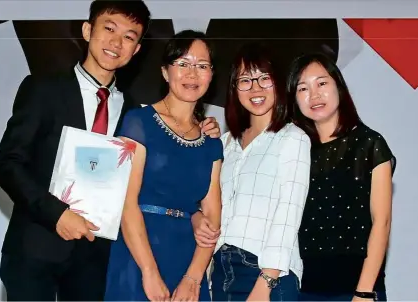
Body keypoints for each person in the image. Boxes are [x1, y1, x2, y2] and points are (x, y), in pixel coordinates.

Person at [0, 1, 221, 300]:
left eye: (129, 36)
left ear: (137, 49)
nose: (117, 42)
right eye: (109, 29)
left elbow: (148, 187)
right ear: (88, 30)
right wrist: (57, 214)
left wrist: (191, 213)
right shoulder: (43, 89)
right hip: (36, 249)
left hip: (96, 260)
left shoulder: (133, 115)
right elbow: (8, 164)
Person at [103, 29, 223, 302]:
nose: (192, 74)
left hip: (188, 263)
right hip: (138, 255)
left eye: (202, 66)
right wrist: (148, 271)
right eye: (183, 64)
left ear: (211, 75)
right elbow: (126, 203)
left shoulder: (212, 142)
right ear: (165, 72)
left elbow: (212, 218)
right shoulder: (138, 122)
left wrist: (193, 278)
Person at [286, 52, 395, 301]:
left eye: (322, 83)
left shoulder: (370, 144)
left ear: (339, 86)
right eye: (303, 88)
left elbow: (382, 222)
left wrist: (364, 291)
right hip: (302, 289)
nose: (314, 95)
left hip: (356, 288)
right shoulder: (293, 148)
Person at [209, 42, 311, 301]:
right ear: (234, 88)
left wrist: (265, 282)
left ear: (278, 83)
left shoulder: (293, 138)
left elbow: (289, 212)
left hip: (267, 271)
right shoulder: (226, 143)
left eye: (264, 78)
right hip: (222, 268)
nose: (255, 88)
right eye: (245, 80)